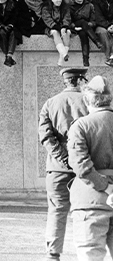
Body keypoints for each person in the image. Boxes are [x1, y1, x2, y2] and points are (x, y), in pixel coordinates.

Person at [39, 67, 89, 261]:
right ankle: (85, 252)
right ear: (81, 80)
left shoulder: (50, 103)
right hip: (85, 165)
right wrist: (77, 160)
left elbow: (46, 137)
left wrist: (63, 158)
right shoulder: (90, 102)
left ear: (66, 81)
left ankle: (53, 254)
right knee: (85, 211)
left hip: (56, 167)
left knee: (57, 210)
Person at [67, 75, 113, 261]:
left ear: (87, 101)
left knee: (90, 255)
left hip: (90, 201)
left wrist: (107, 188)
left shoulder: (81, 126)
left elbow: (81, 165)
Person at [69, 0, 102, 66]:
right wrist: (74, 27)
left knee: (83, 34)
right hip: (75, 27)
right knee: (83, 22)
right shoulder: (70, 7)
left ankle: (85, 59)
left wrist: (89, 24)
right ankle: (96, 41)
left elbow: (94, 20)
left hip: (86, 28)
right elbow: (68, 21)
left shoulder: (90, 5)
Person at [42, 0, 71, 66]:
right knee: (55, 32)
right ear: (52, 0)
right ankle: (64, 53)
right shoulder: (46, 8)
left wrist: (64, 27)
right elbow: (48, 20)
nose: (59, 0)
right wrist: (59, 28)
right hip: (51, 27)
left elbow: (67, 18)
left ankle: (62, 58)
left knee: (67, 32)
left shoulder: (65, 8)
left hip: (63, 26)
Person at [93, 0, 113, 66]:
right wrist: (108, 26)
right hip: (100, 25)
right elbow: (98, 17)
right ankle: (109, 57)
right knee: (103, 32)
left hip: (112, 25)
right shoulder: (96, 1)